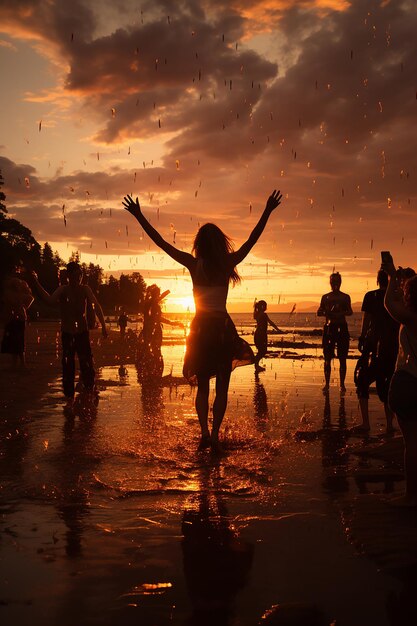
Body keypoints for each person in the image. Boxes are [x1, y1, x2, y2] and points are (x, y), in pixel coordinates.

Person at [122, 189, 282, 452]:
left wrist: (139, 215)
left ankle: (205, 433)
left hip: (200, 330)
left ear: (199, 244)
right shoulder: (228, 263)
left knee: (203, 386)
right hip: (221, 328)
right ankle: (216, 435)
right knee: (222, 386)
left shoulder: (192, 263)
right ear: (220, 243)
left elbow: (161, 243)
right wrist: (267, 210)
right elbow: (252, 240)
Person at [30, 261, 107, 406]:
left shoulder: (85, 289)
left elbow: (96, 305)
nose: (78, 279)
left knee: (87, 364)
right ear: (69, 275)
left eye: (80, 275)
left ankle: (90, 391)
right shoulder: (63, 289)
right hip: (67, 333)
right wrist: (36, 282)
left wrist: (103, 325)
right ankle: (70, 397)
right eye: (76, 275)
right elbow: (49, 300)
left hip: (82, 333)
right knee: (68, 366)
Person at [382, 254, 417, 506]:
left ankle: (411, 496)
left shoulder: (411, 318)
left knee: (412, 443)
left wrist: (392, 277)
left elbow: (389, 303)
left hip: (408, 382)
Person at [354, 270, 399, 433]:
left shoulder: (371, 296)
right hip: (392, 345)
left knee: (363, 379)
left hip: (374, 344)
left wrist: (362, 338)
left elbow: (367, 320)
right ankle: (389, 424)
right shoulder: (396, 297)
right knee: (387, 383)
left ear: (377, 280)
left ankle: (366, 423)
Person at [317, 272, 352, 393]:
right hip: (329, 328)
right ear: (330, 283)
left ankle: (342, 384)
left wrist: (340, 313)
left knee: (342, 357)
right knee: (327, 357)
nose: (335, 283)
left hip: (342, 327)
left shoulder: (345, 297)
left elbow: (350, 311)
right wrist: (326, 312)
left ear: (340, 282)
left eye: (337, 281)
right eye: (333, 281)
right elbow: (319, 312)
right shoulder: (325, 297)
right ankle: (327, 384)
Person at [1, 264, 34, 368]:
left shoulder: (21, 286)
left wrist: (23, 306)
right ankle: (16, 362)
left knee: (18, 340)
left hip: (19, 318)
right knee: (12, 340)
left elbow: (30, 298)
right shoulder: (8, 288)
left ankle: (22, 362)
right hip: (11, 317)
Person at [253, 299, 282, 372]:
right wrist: (277, 329)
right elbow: (270, 322)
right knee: (262, 351)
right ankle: (256, 365)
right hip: (261, 335)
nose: (266, 307)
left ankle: (256, 365)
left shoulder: (257, 314)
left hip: (258, 334)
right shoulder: (263, 314)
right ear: (263, 306)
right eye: (265, 306)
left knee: (261, 351)